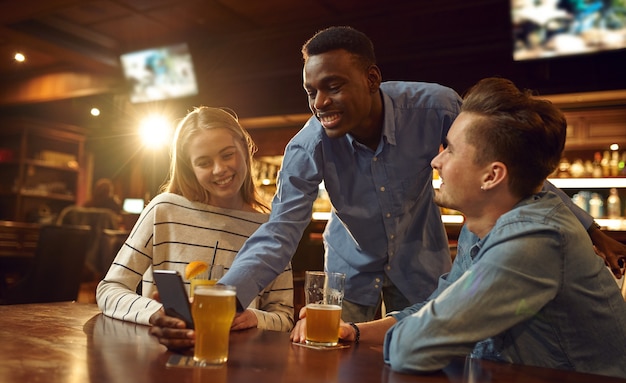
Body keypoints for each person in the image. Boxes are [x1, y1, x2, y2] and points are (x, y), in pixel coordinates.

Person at [216, 25, 626, 324]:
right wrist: (225, 300)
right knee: (339, 365)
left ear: (372, 78)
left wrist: (589, 229)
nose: (320, 102)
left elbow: (515, 168)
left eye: (334, 86)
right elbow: (280, 231)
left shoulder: (435, 107)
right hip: (349, 268)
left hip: (421, 260)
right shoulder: (308, 147)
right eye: (311, 92)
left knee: (428, 361)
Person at [291, 77, 626, 378]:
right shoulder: (479, 226)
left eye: (450, 149)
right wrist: (357, 330)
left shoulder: (533, 240)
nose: (435, 160)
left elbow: (413, 348)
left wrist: (413, 332)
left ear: (492, 176)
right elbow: (437, 305)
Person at [96, 106, 294, 336]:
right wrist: (157, 313)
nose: (220, 169)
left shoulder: (270, 230)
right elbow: (110, 289)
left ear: (245, 148)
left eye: (228, 155)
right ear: (189, 168)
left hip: (238, 362)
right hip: (163, 355)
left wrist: (254, 317)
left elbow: (284, 316)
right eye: (203, 162)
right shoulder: (164, 211)